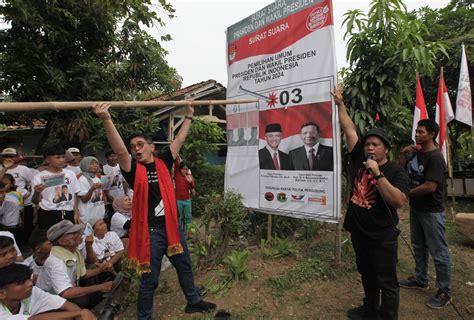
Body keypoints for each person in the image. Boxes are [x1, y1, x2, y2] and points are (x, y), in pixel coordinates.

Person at [93, 102, 216, 319]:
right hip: (151, 233)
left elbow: (179, 140)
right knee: (150, 279)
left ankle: (193, 301)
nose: (136, 149)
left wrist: (189, 115)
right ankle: (144, 317)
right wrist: (106, 119)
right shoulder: (132, 169)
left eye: (140, 144)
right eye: (134, 146)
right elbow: (120, 150)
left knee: (185, 266)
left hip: (172, 228)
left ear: (151, 146)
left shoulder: (164, 161)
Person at [332, 85, 409, 320]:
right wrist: (340, 103)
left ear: (385, 148)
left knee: (386, 281)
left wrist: (377, 174)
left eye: (375, 144)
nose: (370, 147)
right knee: (366, 275)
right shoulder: (359, 159)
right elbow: (349, 129)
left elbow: (397, 200)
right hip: (359, 231)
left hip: (382, 236)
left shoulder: (395, 171)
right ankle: (369, 310)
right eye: (367, 144)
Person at [398, 119, 452, 308]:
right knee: (418, 245)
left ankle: (445, 291)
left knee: (438, 251)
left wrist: (405, 194)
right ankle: (421, 279)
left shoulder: (435, 158)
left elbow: (430, 186)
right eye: (416, 131)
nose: (416, 134)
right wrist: (403, 155)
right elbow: (401, 170)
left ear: (431, 135)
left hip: (431, 211)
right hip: (417, 208)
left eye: (421, 132)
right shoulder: (415, 153)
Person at [36, 220, 113, 309]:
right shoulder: (55, 261)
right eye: (74, 233)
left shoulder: (72, 251)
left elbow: (82, 274)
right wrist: (99, 287)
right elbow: (66, 292)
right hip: (48, 303)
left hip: (62, 295)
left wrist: (102, 269)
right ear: (63, 241)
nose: (80, 234)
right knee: (82, 300)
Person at [0, 263, 95, 320]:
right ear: (2, 293)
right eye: (21, 282)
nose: (30, 283)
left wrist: (83, 316)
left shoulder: (33, 292)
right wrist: (80, 313)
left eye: (28, 279)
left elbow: (65, 304)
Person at [31, 145, 81, 229]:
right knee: (49, 240)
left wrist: (76, 213)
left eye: (63, 157)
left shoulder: (70, 174)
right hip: (48, 213)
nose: (61, 160)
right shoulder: (38, 177)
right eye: (57, 157)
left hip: (68, 212)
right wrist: (37, 192)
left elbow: (75, 194)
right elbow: (35, 201)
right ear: (48, 159)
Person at [0, 148, 36, 249]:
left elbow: (31, 182)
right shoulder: (1, 168)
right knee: (7, 225)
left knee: (25, 224)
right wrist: (5, 168)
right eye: (6, 156)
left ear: (16, 157)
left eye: (11, 156)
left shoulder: (24, 169)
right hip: (4, 202)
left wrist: (28, 194)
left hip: (24, 202)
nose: (8, 158)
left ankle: (23, 245)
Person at [77, 156, 107, 223]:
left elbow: (101, 196)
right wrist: (92, 189)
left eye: (96, 163)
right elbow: (84, 199)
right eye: (92, 163)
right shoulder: (82, 179)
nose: (95, 165)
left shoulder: (97, 178)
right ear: (85, 165)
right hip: (88, 216)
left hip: (98, 214)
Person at [0, 176, 24, 243]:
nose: (1, 195)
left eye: (2, 192)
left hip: (8, 227)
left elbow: (8, 225)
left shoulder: (13, 202)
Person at [174, 159, 195, 230]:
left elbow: (192, 188)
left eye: (186, 169)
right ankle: (179, 233)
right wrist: (176, 155)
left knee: (188, 217)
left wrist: (190, 182)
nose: (185, 171)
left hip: (187, 200)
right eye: (183, 169)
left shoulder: (189, 176)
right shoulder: (177, 174)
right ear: (180, 169)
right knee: (179, 217)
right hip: (178, 200)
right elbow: (176, 163)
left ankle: (189, 233)